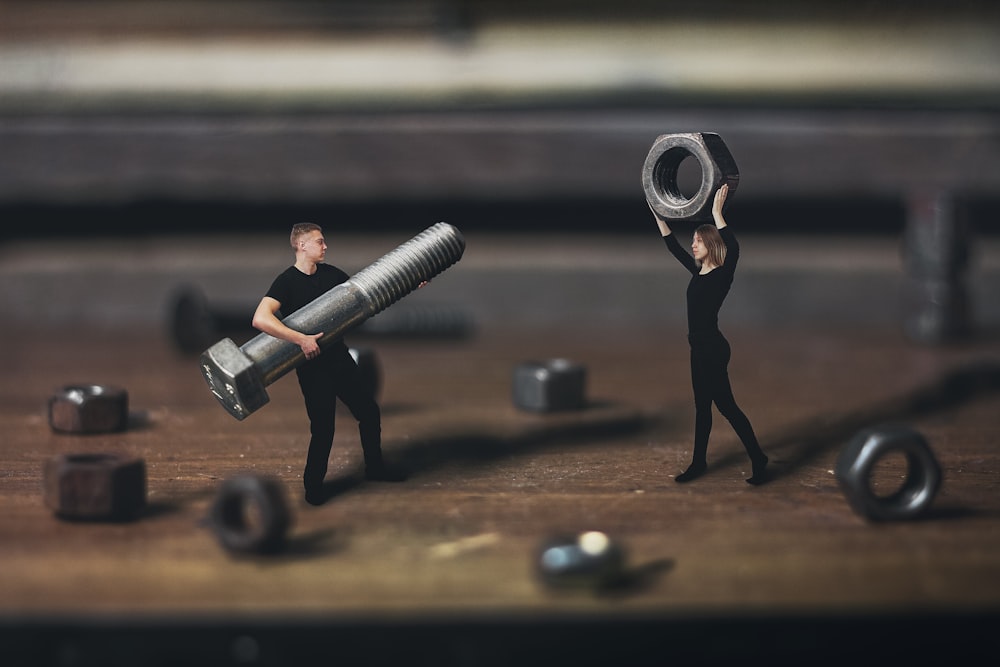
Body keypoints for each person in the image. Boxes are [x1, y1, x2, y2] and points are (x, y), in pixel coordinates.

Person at [252, 222, 405, 506]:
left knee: (369, 412)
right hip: (312, 368)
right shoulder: (286, 282)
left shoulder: (332, 275)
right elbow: (260, 318)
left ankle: (375, 469)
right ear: (301, 246)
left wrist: (412, 280)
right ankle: (313, 487)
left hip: (340, 359)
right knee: (323, 429)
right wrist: (300, 339)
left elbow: (371, 292)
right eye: (319, 242)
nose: (325, 246)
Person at [651, 184, 769, 485]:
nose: (693, 245)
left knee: (726, 406)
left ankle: (758, 457)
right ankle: (699, 463)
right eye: (693, 240)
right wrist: (658, 213)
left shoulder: (721, 275)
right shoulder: (697, 273)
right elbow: (672, 247)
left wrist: (717, 213)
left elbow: (735, 248)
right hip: (697, 348)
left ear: (711, 244)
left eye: (698, 241)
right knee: (702, 407)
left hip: (713, 347)